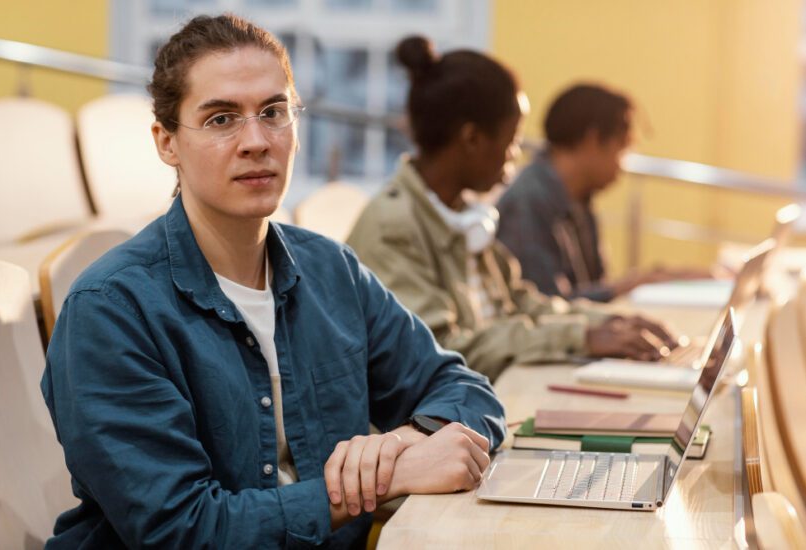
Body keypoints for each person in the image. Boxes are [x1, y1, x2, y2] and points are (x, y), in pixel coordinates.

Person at [41, 15, 504, 549]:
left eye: (274, 112)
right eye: (221, 120)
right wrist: (388, 479)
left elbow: (468, 391)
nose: (257, 141)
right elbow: (183, 530)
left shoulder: (333, 270)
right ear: (166, 142)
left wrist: (403, 440)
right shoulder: (111, 309)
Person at [346, 37, 677, 382]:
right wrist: (580, 338)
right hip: (428, 423)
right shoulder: (394, 227)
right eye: (513, 140)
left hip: (484, 395)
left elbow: (520, 303)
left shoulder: (461, 213)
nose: (516, 155)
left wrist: (606, 323)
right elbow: (442, 350)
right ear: (472, 139)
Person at [496, 83, 705, 302]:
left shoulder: (578, 196)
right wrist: (631, 284)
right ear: (593, 140)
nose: (623, 165)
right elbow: (545, 306)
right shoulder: (529, 201)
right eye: (623, 147)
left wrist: (661, 277)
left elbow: (595, 286)